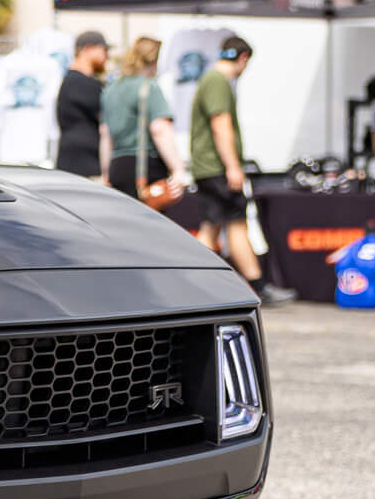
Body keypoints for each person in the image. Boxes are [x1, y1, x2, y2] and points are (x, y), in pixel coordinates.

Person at [189, 37, 295, 305]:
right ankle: (259, 286)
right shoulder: (218, 82)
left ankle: (192, 284)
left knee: (211, 228)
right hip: (218, 168)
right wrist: (233, 166)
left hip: (209, 167)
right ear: (244, 58)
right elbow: (220, 124)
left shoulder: (210, 79)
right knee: (236, 224)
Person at [98, 36, 190, 199]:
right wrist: (178, 169)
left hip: (117, 167)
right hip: (144, 167)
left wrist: (105, 173)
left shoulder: (111, 90)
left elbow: (105, 134)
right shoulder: (148, 87)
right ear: (154, 60)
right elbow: (160, 129)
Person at [53, 31, 109, 179]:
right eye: (104, 50)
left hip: (73, 164)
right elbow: (108, 118)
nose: (107, 56)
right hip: (83, 168)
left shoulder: (70, 81)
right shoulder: (81, 83)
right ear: (88, 49)